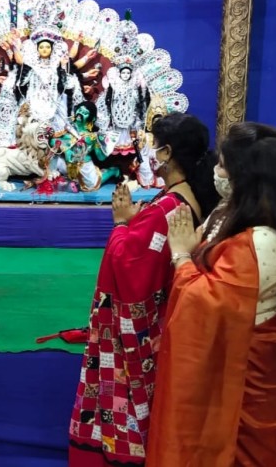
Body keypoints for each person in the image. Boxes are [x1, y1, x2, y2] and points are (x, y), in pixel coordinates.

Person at [147, 122, 276, 466]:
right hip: (230, 365)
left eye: (222, 164)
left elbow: (207, 304)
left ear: (245, 174)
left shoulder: (261, 239)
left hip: (245, 379)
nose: (215, 169)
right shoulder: (229, 213)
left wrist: (181, 255)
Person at [69, 112, 219, 466]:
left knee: (123, 404)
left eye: (154, 145)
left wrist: (121, 224)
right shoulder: (185, 200)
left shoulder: (166, 207)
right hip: (166, 321)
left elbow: (130, 272)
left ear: (166, 152)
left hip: (137, 333)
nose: (150, 152)